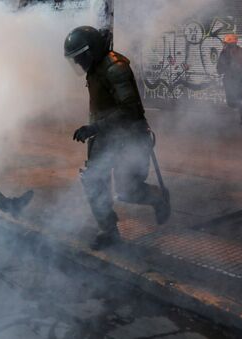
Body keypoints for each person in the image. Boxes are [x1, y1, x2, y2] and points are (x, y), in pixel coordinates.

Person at [64, 26, 170, 250]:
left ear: (90, 52)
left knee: (128, 190)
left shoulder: (115, 68)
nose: (79, 64)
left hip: (129, 136)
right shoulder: (95, 67)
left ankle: (158, 197)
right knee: (94, 182)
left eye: (80, 57)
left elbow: (129, 110)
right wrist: (95, 130)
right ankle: (109, 231)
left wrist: (94, 128)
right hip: (105, 137)